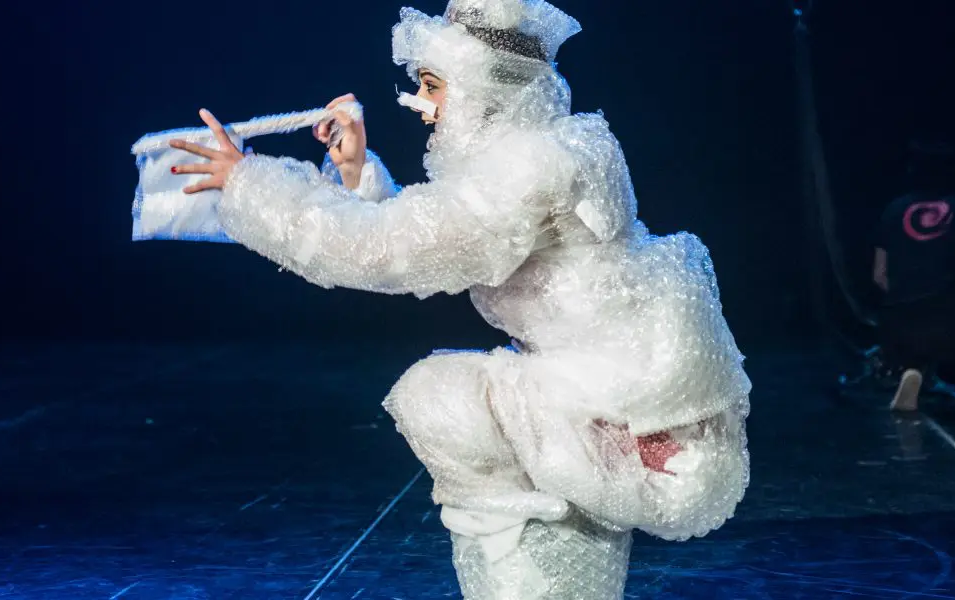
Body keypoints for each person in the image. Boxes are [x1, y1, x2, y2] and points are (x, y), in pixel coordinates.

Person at [169, 1, 751, 597]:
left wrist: (248, 183)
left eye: (433, 85)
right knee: (460, 400)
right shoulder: (559, 143)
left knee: (440, 399)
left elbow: (388, 249)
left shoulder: (535, 165)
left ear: (483, 87)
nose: (423, 106)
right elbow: (429, 231)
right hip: (632, 414)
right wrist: (355, 174)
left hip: (644, 436)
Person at [872, 140, 955, 411]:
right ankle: (944, 372)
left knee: (916, 339)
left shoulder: (893, 210)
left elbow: (879, 277)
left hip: (900, 327)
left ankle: (914, 368)